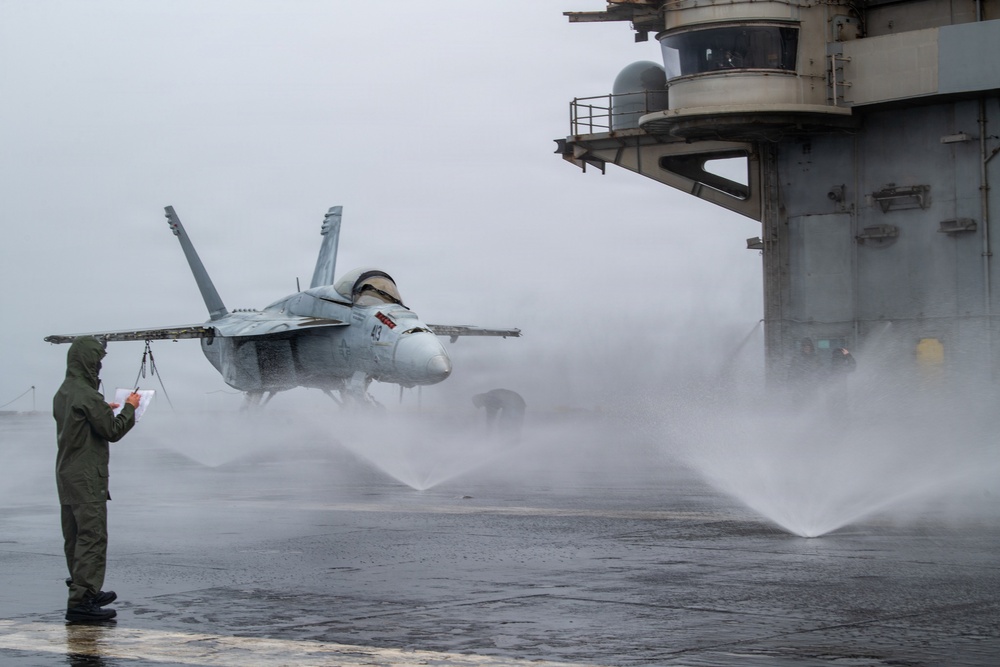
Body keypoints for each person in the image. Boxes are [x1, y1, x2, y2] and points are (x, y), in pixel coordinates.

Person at [53, 336, 141, 623]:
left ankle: (84, 588)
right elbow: (112, 432)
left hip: (67, 475)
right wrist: (130, 408)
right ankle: (82, 601)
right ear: (90, 363)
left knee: (75, 537)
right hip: (87, 477)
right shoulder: (88, 395)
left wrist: (105, 409)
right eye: (97, 361)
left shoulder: (64, 392)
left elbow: (84, 424)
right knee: (92, 538)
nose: (99, 367)